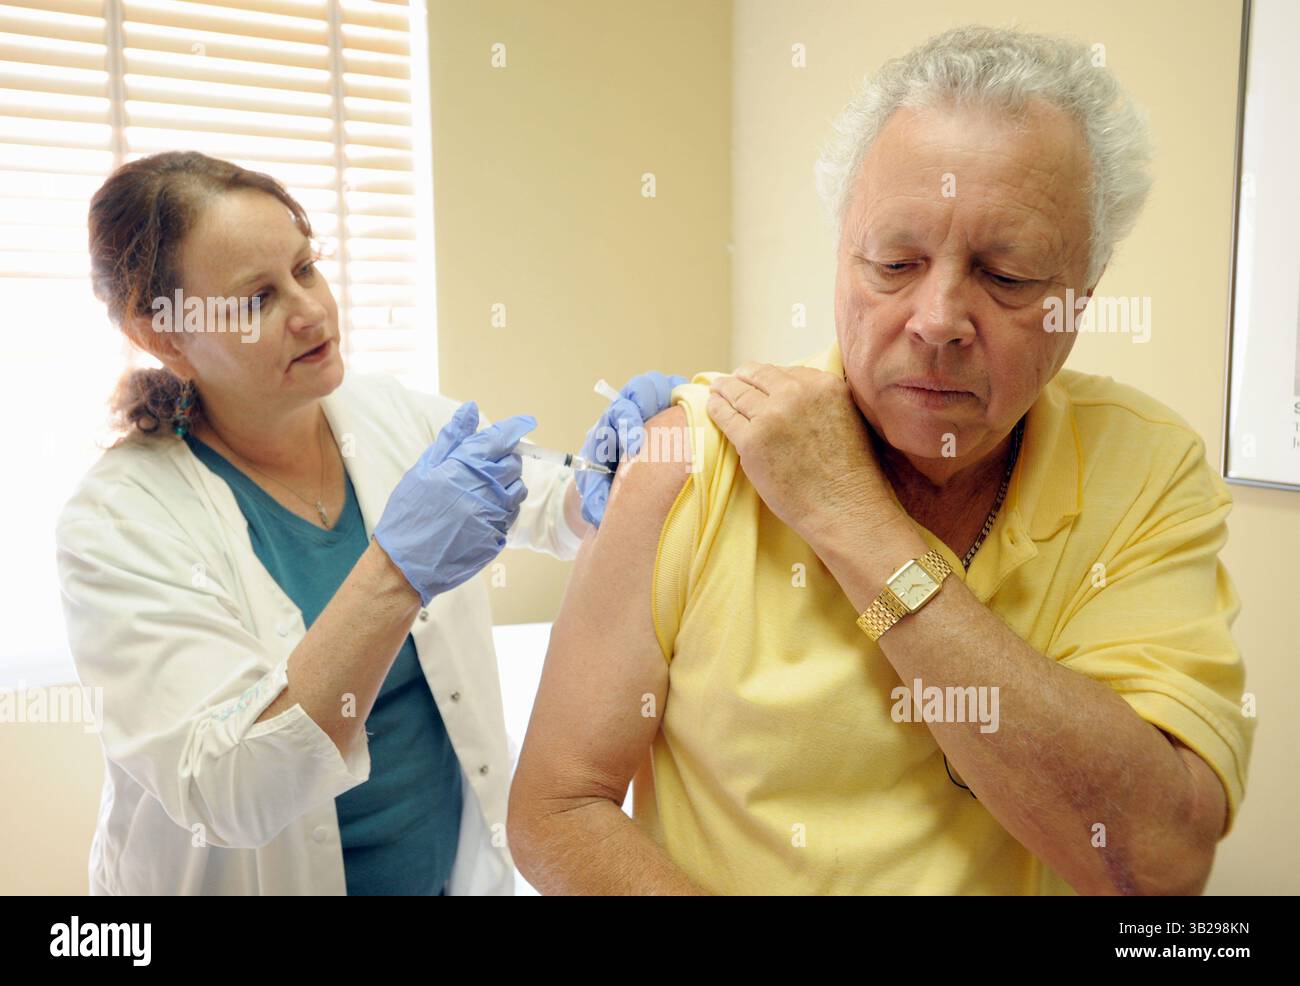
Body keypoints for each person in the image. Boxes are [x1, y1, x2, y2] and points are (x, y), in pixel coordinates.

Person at [508, 26, 1255, 895]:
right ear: (840, 259)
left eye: (1006, 276)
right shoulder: (693, 455)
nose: (938, 317)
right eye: (895, 262)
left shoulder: (1148, 469)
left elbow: (1158, 862)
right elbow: (557, 810)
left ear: (1078, 303)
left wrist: (851, 517)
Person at [55, 150, 680, 895]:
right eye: (256, 299)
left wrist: (609, 474)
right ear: (164, 335)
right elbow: (231, 787)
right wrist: (395, 572)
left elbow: (550, 501)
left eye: (306, 267)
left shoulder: (387, 414)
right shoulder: (117, 525)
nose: (311, 309)